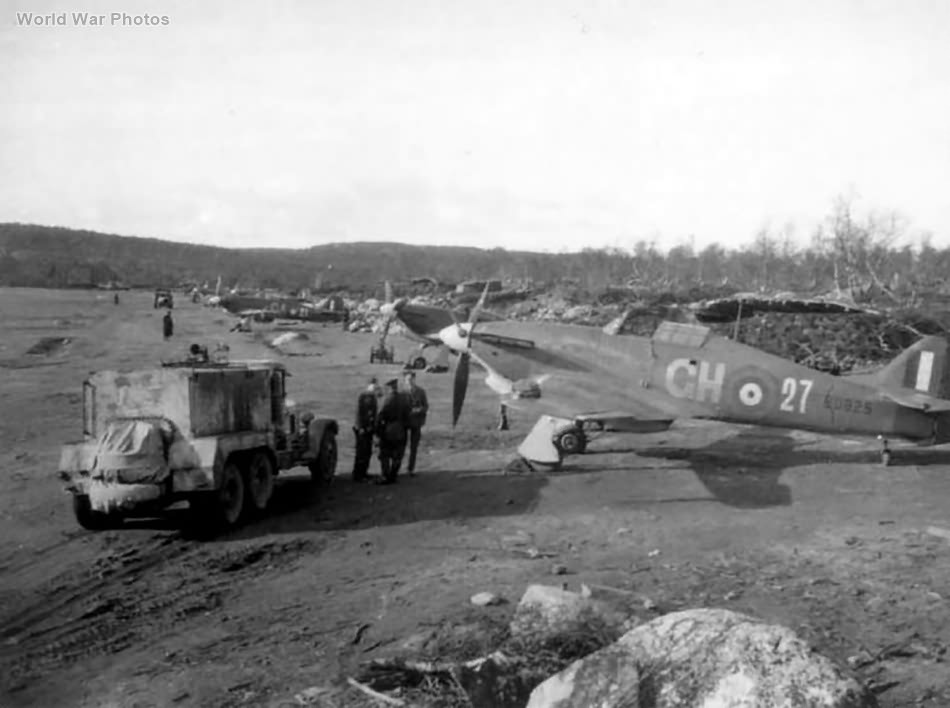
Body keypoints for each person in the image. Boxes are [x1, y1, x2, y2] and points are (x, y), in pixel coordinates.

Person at [375, 378, 408, 484]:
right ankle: (393, 476)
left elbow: (381, 415)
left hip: (389, 429)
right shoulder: (403, 398)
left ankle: (385, 476)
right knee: (398, 454)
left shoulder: (388, 400)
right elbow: (408, 413)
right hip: (401, 429)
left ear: (389, 387)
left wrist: (378, 431)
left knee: (384, 454)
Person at [352, 379, 379, 482]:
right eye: (373, 386)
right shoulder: (363, 396)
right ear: (368, 386)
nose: (374, 389)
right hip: (362, 429)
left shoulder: (372, 397)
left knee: (367, 452)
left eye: (375, 387)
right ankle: (358, 474)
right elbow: (359, 413)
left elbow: (373, 413)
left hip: (368, 429)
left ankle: (364, 472)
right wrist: (361, 427)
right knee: (361, 452)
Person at [403, 370, 428, 476]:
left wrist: (419, 410)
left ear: (414, 379)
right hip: (403, 422)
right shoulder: (402, 392)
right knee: (401, 445)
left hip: (416, 422)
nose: (409, 381)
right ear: (404, 380)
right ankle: (397, 466)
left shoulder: (421, 391)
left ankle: (410, 468)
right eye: (407, 379)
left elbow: (425, 406)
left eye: (411, 379)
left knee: (414, 447)